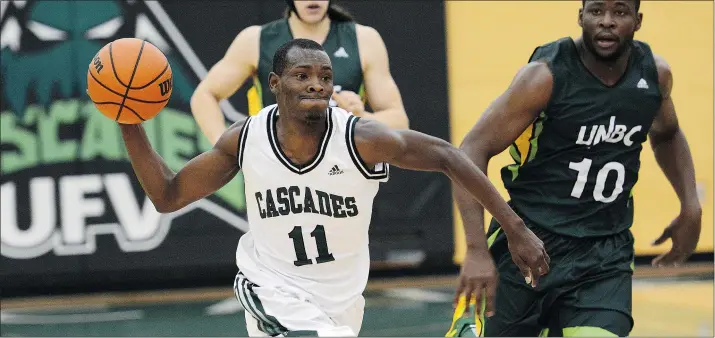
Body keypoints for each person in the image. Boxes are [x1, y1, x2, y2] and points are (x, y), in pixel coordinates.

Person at [118, 39, 528, 337]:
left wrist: (515, 229)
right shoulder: (246, 139)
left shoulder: (361, 138)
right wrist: (129, 121)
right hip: (271, 291)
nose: (317, 84)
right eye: (303, 75)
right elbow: (168, 195)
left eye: (325, 76)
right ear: (275, 84)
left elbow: (449, 157)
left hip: (342, 303)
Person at [446, 0, 702, 337]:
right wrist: (477, 250)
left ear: (638, 21)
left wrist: (690, 205)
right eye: (596, 11)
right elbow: (470, 150)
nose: (607, 22)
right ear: (580, 16)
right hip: (527, 243)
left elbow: (667, 134)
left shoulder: (654, 74)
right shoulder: (545, 75)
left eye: (620, 12)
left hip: (604, 256)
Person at [190, 0, 408, 146]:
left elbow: (399, 122)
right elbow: (204, 96)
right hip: (277, 172)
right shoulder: (256, 40)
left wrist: (362, 118)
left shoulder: (364, 40)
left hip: (343, 171)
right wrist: (231, 150)